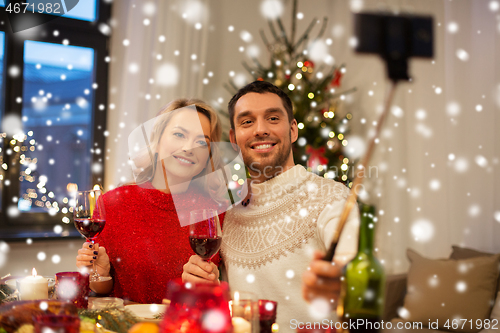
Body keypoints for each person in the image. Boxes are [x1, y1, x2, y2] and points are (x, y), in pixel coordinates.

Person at [182, 81, 359, 330]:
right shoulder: (229, 214)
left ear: (293, 130)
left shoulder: (332, 198)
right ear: (233, 139)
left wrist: (343, 278)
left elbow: (354, 270)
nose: (260, 130)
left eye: (273, 118)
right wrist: (207, 286)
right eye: (247, 122)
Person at [76, 98, 225, 304]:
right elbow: (100, 292)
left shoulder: (216, 211)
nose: (189, 147)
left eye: (202, 142)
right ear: (156, 141)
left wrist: (212, 287)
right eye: (179, 134)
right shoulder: (113, 204)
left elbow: (228, 298)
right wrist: (99, 275)